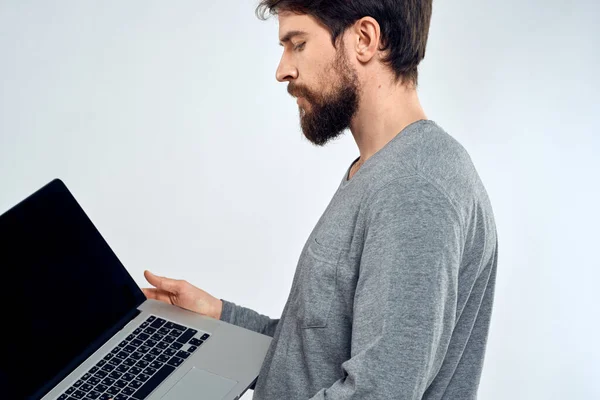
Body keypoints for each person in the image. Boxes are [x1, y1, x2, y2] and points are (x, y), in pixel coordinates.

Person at [143, 1, 499, 399]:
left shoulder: (414, 187)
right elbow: (317, 356)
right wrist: (221, 317)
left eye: (297, 44)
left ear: (364, 39)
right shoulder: (380, 170)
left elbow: (378, 392)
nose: (283, 71)